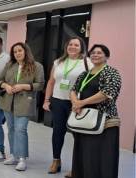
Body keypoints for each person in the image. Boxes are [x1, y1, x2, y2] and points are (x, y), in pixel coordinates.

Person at [69, 44, 121, 178]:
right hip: (84, 120)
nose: (95, 55)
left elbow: (106, 94)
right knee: (84, 154)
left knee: (101, 156)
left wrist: (82, 102)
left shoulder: (112, 73)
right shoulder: (84, 74)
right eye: (93, 53)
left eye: (99, 53)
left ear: (106, 56)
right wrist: (75, 102)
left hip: (104, 122)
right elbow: (73, 90)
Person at [42, 37, 92, 174]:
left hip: (76, 103)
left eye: (76, 45)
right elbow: (51, 82)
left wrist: (83, 102)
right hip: (58, 101)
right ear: (66, 46)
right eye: (70, 44)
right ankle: (56, 161)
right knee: (58, 132)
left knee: (77, 134)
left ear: (81, 47)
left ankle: (77, 166)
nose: (73, 47)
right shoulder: (58, 62)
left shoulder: (87, 62)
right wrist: (47, 100)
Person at [0, 42, 45, 171]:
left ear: (26, 51)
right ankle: (14, 155)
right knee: (11, 128)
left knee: (20, 130)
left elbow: (40, 85)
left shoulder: (36, 66)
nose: (17, 53)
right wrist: (5, 86)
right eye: (15, 51)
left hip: (25, 102)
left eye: (20, 51)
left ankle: (22, 158)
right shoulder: (10, 65)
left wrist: (24, 86)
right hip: (8, 102)